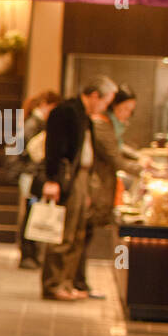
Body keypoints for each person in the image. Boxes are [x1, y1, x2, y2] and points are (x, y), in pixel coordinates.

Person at [38, 76, 116, 302]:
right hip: (68, 178)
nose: (104, 108)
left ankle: (67, 281)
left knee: (78, 234)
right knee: (64, 233)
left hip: (82, 178)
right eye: (105, 102)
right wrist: (52, 179)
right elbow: (54, 149)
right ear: (94, 96)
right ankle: (54, 284)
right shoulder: (66, 112)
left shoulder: (85, 116)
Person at [77, 85, 141, 299]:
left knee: (85, 236)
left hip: (98, 187)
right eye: (126, 109)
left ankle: (79, 283)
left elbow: (118, 148)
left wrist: (140, 159)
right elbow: (114, 155)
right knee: (82, 236)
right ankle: (79, 283)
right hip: (94, 188)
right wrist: (141, 167)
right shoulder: (102, 124)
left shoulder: (109, 126)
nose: (128, 115)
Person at [10, 90, 59, 270]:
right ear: (45, 104)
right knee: (31, 212)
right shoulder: (34, 123)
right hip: (31, 174)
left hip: (30, 174)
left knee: (31, 211)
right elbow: (26, 150)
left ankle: (30, 253)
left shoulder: (33, 122)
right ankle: (28, 254)